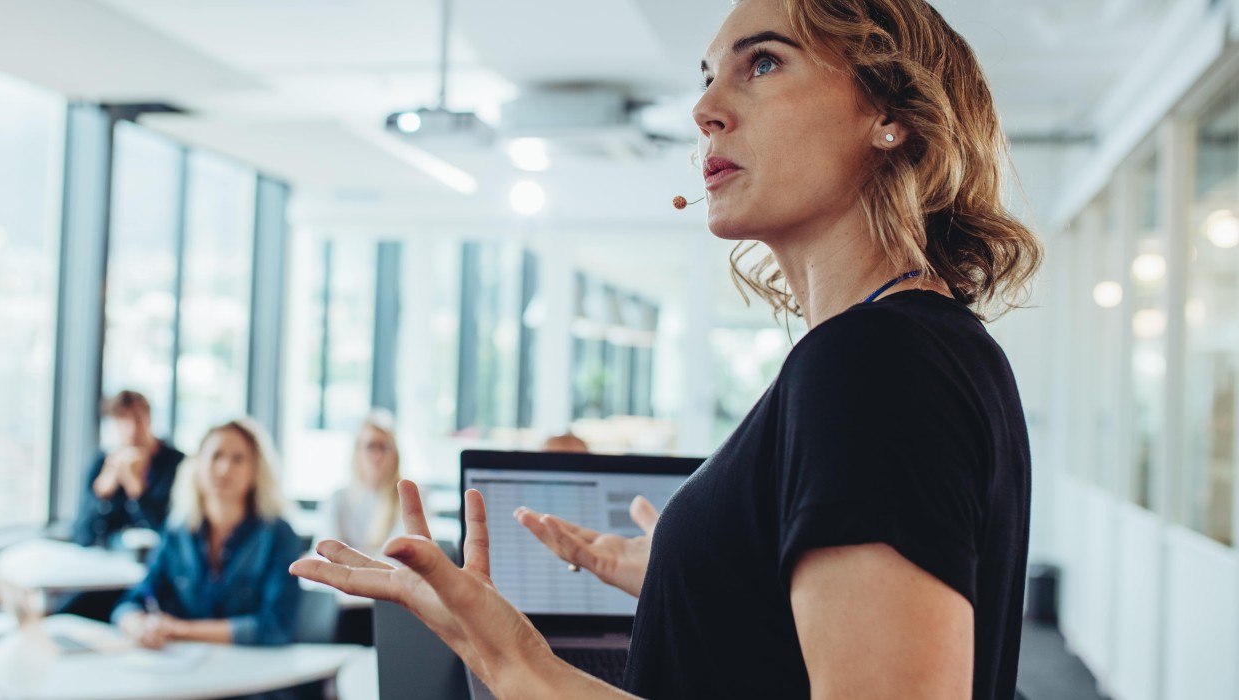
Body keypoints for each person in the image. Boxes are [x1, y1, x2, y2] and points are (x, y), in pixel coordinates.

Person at [291, 1, 1041, 699]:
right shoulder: (920, 345)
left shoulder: (872, 365)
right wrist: (705, 578)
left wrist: (511, 658)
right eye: (710, 77)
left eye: (765, 63)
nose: (705, 110)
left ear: (889, 113)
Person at [112, 417, 302, 651]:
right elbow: (134, 600)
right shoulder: (177, 531)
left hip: (254, 674)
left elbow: (276, 627)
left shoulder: (278, 535)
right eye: (216, 456)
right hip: (187, 670)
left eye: (238, 459)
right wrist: (135, 624)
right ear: (198, 465)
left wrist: (181, 630)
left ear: (255, 470)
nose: (224, 469)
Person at [72, 390, 186, 548]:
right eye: (123, 420)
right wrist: (102, 495)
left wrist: (137, 491)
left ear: (150, 419)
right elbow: (81, 535)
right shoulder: (101, 463)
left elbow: (175, 534)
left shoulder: (177, 464)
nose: (131, 428)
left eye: (138, 419)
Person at [317, 410, 405, 556]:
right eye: (370, 446)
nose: (377, 456)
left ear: (395, 454)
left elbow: (405, 560)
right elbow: (326, 553)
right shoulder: (338, 498)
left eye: (383, 447)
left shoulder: (408, 498)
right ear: (357, 451)